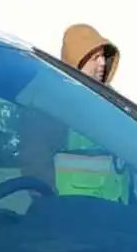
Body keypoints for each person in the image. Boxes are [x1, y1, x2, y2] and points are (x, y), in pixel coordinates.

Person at [18, 24, 130, 202]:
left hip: (116, 213)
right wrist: (51, 209)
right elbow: (36, 166)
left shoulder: (112, 105)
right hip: (73, 216)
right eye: (95, 57)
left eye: (103, 56)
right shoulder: (51, 106)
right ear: (77, 60)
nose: (102, 63)